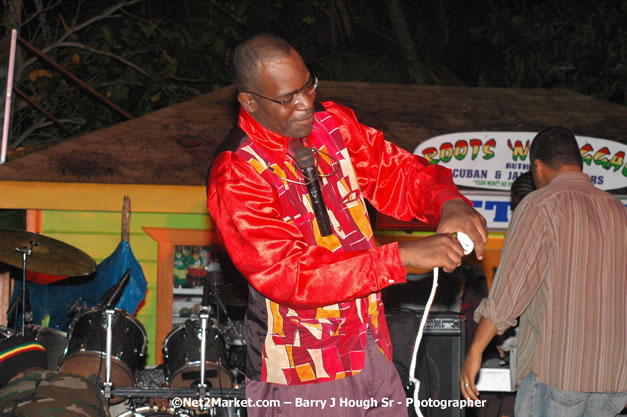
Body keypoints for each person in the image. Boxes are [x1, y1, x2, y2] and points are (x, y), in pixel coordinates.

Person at [207, 33, 488, 417]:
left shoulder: (332, 124)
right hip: (302, 372)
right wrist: (398, 259)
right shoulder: (237, 172)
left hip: (370, 350)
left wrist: (447, 201)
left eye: (309, 85)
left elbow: (396, 173)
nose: (306, 103)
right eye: (288, 98)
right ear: (250, 101)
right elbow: (289, 273)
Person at [460, 127, 627, 417]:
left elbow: (511, 289)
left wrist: (475, 350)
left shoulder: (540, 205)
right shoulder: (619, 211)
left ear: (537, 166)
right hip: (614, 379)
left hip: (559, 374)